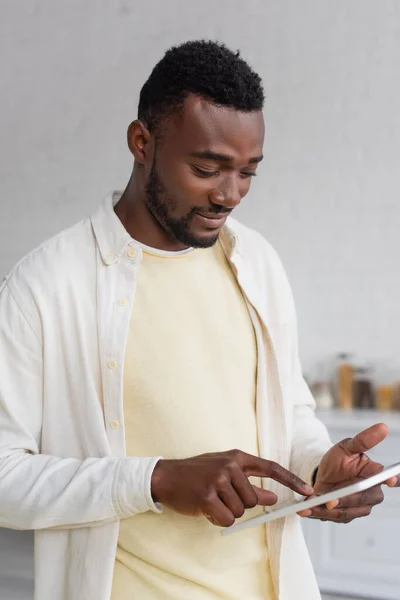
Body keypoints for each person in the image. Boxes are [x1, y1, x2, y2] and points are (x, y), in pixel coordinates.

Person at [0, 40, 398, 600]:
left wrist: (317, 473)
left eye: (248, 173)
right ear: (142, 142)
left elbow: (289, 409)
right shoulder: (44, 286)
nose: (229, 195)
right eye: (207, 168)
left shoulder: (257, 261)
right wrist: (156, 480)